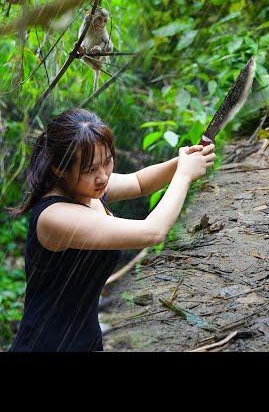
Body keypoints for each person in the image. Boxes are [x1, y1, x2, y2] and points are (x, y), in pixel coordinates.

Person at [8, 108, 215, 352]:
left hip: (86, 341)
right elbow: (153, 232)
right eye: (90, 169)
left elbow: (139, 182)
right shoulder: (54, 217)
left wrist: (182, 161)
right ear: (59, 168)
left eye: (107, 162)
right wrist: (184, 175)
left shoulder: (85, 188)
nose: (103, 176)